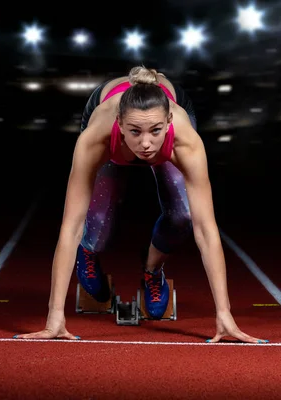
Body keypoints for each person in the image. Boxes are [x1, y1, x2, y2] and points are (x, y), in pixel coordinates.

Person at [15, 66, 268, 344]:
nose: (146, 144)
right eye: (135, 131)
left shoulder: (185, 141)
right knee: (98, 227)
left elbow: (206, 229)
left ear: (169, 121)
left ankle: (152, 272)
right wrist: (54, 318)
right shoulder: (96, 137)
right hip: (108, 121)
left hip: (165, 118)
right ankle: (89, 253)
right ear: (120, 124)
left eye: (156, 131)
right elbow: (70, 226)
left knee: (182, 216)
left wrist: (224, 314)